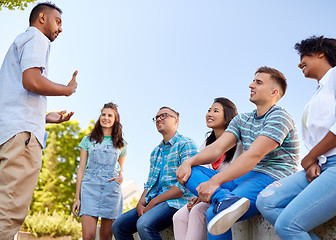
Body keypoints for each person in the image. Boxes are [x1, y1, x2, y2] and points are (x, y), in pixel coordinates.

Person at [176, 66, 300, 240]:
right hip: (246, 177)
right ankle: (222, 198)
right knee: (189, 171)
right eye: (252, 81)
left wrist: (214, 181)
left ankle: (222, 201)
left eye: (258, 82)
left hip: (273, 177)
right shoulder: (242, 119)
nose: (251, 85)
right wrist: (189, 162)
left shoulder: (280, 116)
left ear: (274, 92)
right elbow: (217, 148)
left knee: (214, 213)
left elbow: (254, 155)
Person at [256, 36, 336, 239]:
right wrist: (316, 160)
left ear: (320, 52)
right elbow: (317, 138)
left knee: (287, 225)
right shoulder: (317, 93)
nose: (299, 62)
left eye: (304, 55)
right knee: (266, 201)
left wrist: (311, 157)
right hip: (323, 165)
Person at [0, 2, 78, 239]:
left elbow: (16, 95)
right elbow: (31, 81)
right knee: (10, 211)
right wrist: (66, 89)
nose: (60, 29)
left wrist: (44, 118)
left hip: (12, 132)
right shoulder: (36, 38)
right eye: (58, 21)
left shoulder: (21, 42)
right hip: (23, 137)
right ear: (42, 18)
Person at [112, 106, 198, 240]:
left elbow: (184, 186)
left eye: (164, 115)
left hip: (177, 201)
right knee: (118, 225)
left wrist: (154, 203)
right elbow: (150, 182)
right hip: (155, 201)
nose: (158, 119)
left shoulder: (186, 144)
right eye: (156, 117)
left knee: (144, 224)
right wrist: (140, 203)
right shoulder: (155, 151)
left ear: (176, 121)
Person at [173, 97, 243, 240]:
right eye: (209, 110)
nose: (209, 114)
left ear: (227, 117)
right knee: (178, 216)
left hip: (230, 191)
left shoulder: (239, 142)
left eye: (215, 111)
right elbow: (200, 176)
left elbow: (238, 173)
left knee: (197, 211)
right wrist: (197, 196)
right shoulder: (206, 144)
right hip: (208, 193)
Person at [72, 102, 127, 240]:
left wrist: (121, 178)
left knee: (106, 236)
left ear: (115, 120)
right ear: (99, 117)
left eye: (110, 115)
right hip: (89, 189)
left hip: (111, 191)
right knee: (88, 236)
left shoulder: (122, 143)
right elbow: (80, 170)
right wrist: (77, 198)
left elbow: (120, 169)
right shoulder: (88, 140)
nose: (106, 118)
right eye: (103, 114)